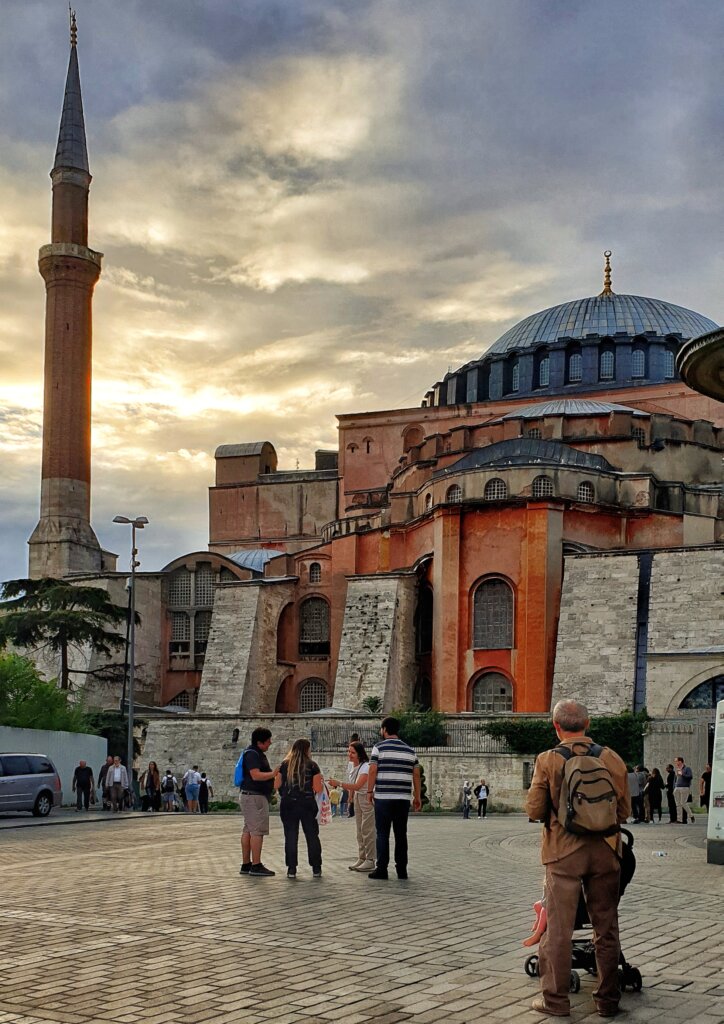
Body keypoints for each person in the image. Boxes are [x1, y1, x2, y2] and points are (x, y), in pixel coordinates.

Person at [525, 699, 629, 1018]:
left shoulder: (548, 760)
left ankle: (555, 1001)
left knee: (558, 929)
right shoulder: (611, 758)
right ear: (589, 724)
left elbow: (534, 810)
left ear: (556, 726)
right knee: (606, 927)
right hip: (606, 852)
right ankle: (608, 1000)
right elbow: (623, 811)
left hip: (563, 853)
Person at [366, 716, 422, 880]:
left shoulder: (379, 748)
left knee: (382, 834)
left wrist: (370, 792)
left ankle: (381, 869)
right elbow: (416, 775)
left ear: (384, 729)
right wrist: (417, 797)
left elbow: (372, 770)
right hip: (402, 799)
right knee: (400, 834)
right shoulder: (410, 751)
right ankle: (401, 870)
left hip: (383, 797)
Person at [275, 738, 324, 879]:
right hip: (307, 803)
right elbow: (318, 788)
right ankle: (316, 868)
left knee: (290, 836)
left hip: (288, 804)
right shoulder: (312, 766)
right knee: (312, 836)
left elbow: (276, 785)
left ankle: (291, 869)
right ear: (306, 750)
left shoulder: (284, 765)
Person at [239, 727, 280, 877]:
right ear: (260, 742)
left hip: (250, 795)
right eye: (268, 741)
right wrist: (273, 773)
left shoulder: (253, 753)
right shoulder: (253, 754)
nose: (270, 743)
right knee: (257, 831)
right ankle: (255, 864)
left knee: (248, 829)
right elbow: (255, 775)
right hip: (254, 796)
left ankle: (246, 864)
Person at [329, 741, 375, 871]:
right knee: (359, 830)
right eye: (349, 751)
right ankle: (362, 857)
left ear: (359, 754)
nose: (350, 754)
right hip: (357, 797)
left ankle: (370, 859)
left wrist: (339, 783)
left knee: (367, 829)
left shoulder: (366, 766)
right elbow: (352, 783)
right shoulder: (351, 765)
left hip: (366, 797)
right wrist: (350, 797)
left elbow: (357, 785)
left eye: (353, 752)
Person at [673, 756, 693, 824]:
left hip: (684, 787)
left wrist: (683, 774)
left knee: (683, 803)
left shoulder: (687, 768)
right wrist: (675, 786)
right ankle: (679, 819)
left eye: (676, 761)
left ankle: (691, 815)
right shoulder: (677, 769)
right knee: (678, 804)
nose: (675, 763)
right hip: (677, 787)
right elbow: (676, 779)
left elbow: (690, 776)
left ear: (680, 761)